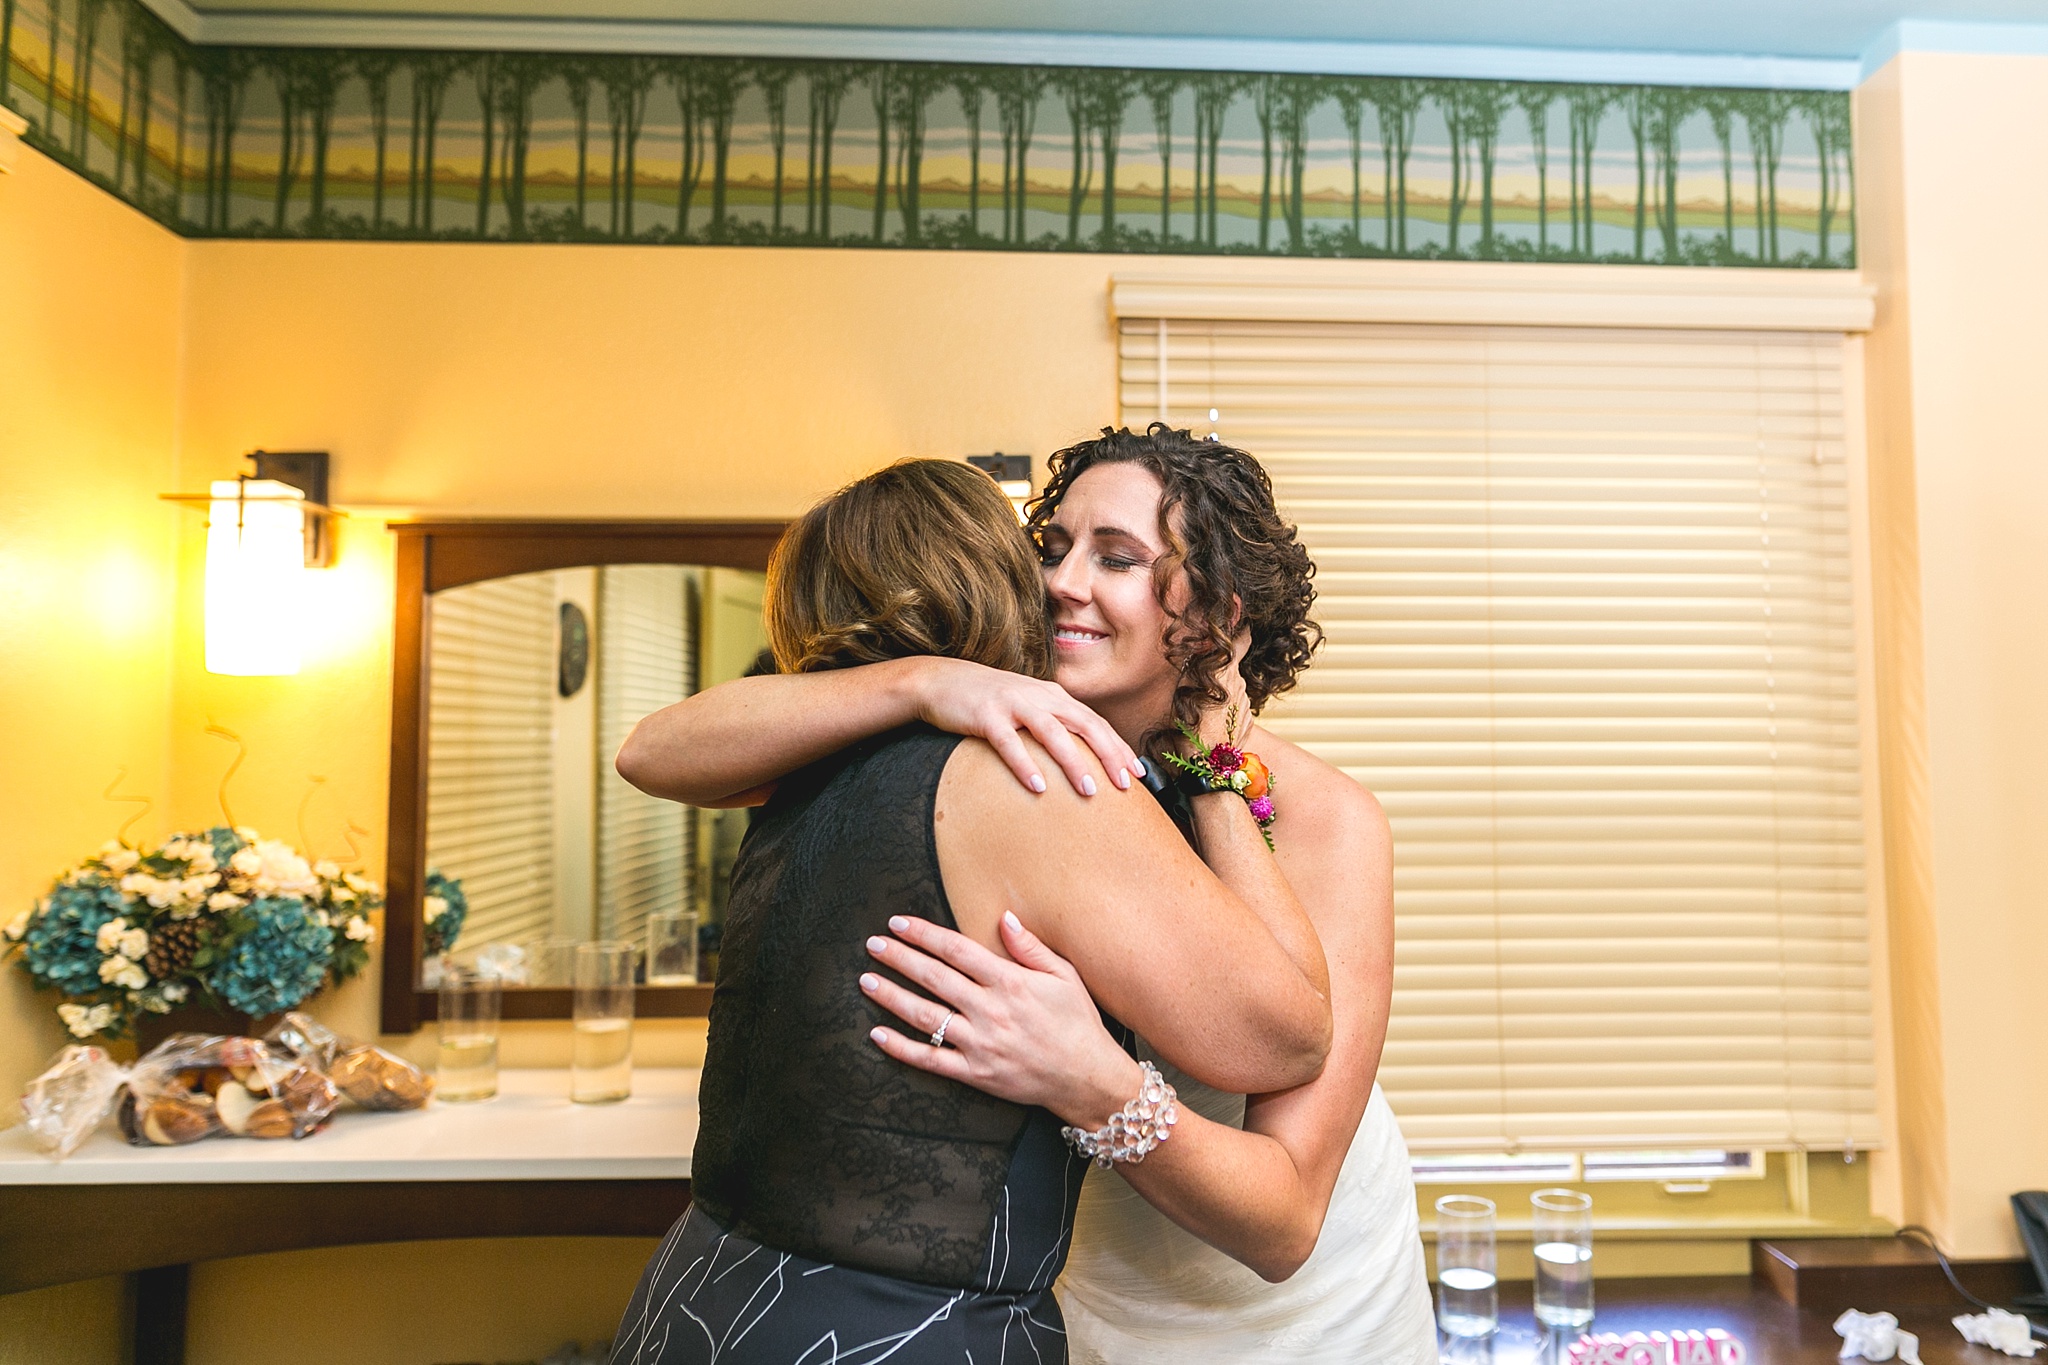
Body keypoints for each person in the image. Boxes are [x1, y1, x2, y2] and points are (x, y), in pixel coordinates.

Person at [618, 425, 1438, 1363]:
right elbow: (657, 749)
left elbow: (1285, 1215)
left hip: (1275, 1320)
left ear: (1213, 615)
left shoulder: (1328, 821)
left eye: (1117, 557)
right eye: (1051, 549)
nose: (1061, 582)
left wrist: (1089, 1081)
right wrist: (923, 680)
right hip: (1064, 1291)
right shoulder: (1002, 756)